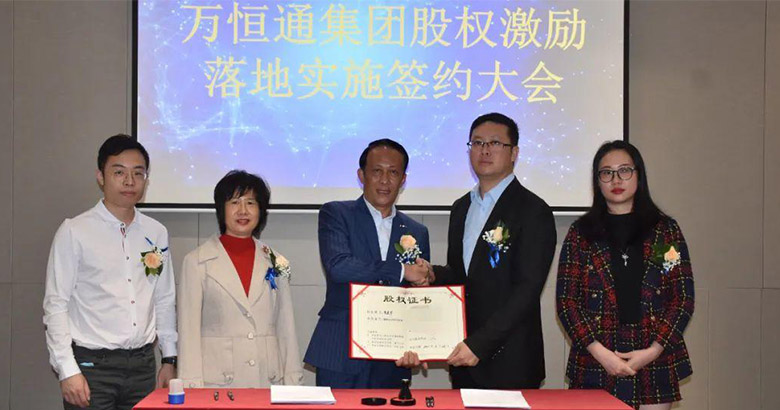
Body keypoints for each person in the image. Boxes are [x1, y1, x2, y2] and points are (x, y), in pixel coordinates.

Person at [556, 140, 694, 410]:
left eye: (624, 171)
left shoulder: (664, 231)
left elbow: (682, 298)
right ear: (597, 181)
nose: (616, 179)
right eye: (606, 173)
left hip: (653, 355)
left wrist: (653, 350)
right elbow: (566, 302)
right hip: (596, 356)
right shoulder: (581, 234)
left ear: (638, 175)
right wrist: (601, 353)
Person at [43, 134, 177, 410]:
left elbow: (164, 297)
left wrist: (169, 358)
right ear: (100, 176)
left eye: (138, 173)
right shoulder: (75, 231)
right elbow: (56, 304)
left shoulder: (156, 232)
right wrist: (67, 369)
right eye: (119, 172)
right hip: (92, 366)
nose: (129, 181)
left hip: (142, 366)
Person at [427, 113, 557, 389]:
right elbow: (462, 275)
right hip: (464, 356)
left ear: (514, 153)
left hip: (510, 359)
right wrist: (431, 274)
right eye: (477, 143)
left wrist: (480, 344)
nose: (484, 150)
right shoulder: (461, 207)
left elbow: (527, 289)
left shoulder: (533, 210)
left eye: (495, 143)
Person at [304, 138, 431, 388]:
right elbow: (339, 267)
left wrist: (419, 343)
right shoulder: (336, 213)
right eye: (376, 171)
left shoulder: (417, 231)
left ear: (403, 180)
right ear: (361, 175)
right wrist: (401, 270)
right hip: (341, 351)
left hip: (393, 358)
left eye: (393, 172)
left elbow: (418, 297)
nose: (385, 180)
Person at [178, 170, 303, 388]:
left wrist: (293, 383)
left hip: (267, 381)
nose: (243, 210)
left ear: (261, 210)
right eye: (235, 202)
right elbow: (188, 332)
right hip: (217, 385)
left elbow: (286, 328)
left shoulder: (277, 262)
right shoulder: (196, 262)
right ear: (221, 209)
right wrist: (191, 387)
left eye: (251, 203)